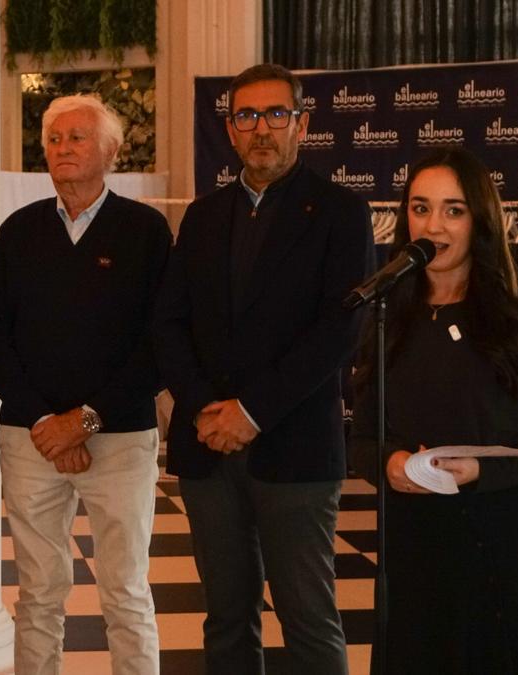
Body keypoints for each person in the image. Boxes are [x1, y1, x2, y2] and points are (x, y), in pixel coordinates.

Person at [153, 63, 375, 674]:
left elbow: (340, 330)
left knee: (307, 619)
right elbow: (168, 325)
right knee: (226, 619)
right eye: (247, 116)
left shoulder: (340, 213)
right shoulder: (202, 217)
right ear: (229, 130)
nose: (261, 129)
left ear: (302, 123)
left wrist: (252, 413)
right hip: (206, 448)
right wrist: (203, 408)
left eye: (276, 114)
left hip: (295, 449)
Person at [349, 146, 518, 674]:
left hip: (509, 542)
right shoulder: (385, 322)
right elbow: (360, 440)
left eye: (453, 210)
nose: (434, 225)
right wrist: (387, 464)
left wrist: (485, 470)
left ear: (479, 218)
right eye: (420, 207)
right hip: (416, 546)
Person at [0, 94, 171, 675]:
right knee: (37, 594)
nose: (62, 148)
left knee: (126, 592)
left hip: (120, 437)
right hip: (32, 440)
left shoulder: (145, 230)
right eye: (54, 139)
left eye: (77, 138)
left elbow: (159, 346)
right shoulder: (19, 229)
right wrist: (44, 422)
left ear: (109, 150)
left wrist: (82, 421)